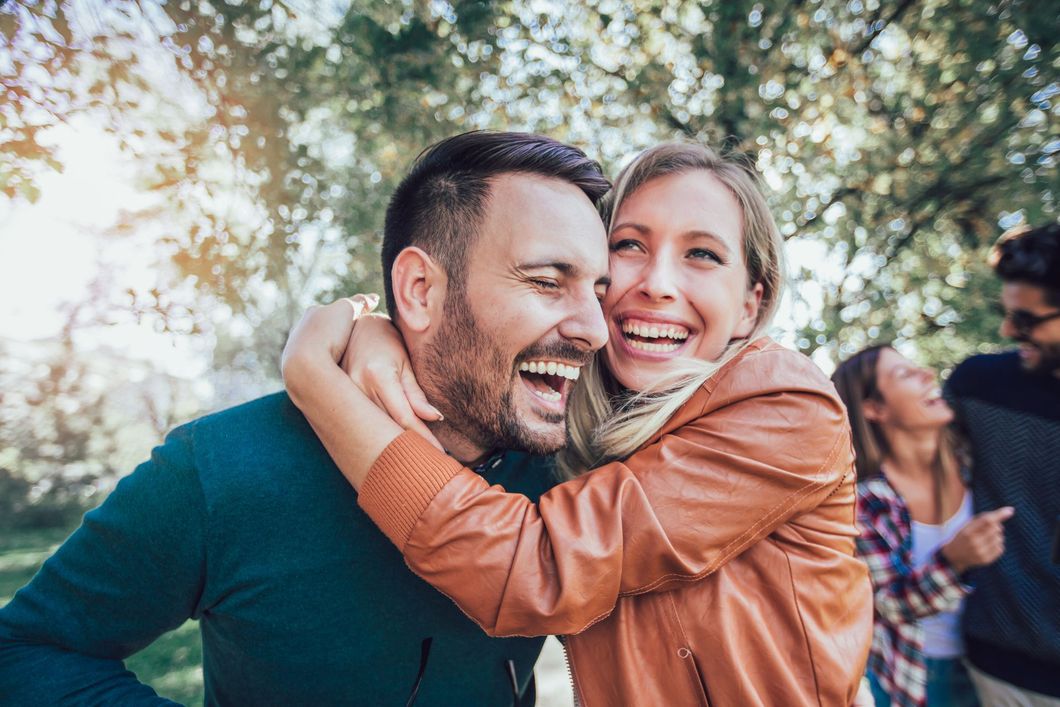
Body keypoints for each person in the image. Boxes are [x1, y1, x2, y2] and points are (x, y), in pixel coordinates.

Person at [0, 131, 614, 705]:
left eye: (599, 292)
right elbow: (25, 650)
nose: (594, 330)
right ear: (420, 291)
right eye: (546, 282)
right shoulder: (221, 467)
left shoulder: (573, 478)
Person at [282, 142, 875, 706]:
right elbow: (475, 323)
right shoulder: (578, 419)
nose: (656, 284)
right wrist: (382, 327)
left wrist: (317, 381)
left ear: (750, 303)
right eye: (630, 246)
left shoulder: (788, 407)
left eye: (702, 254)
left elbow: (536, 566)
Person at [832, 345, 1012, 707]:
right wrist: (953, 562)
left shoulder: (972, 462)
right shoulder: (867, 501)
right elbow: (886, 605)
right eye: (904, 374)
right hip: (914, 672)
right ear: (874, 408)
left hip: (996, 661)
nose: (927, 375)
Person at [945, 222, 1060, 706]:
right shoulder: (978, 387)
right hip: (1001, 672)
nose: (1009, 330)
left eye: (1027, 319)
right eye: (1007, 313)